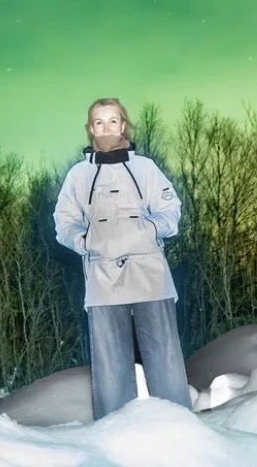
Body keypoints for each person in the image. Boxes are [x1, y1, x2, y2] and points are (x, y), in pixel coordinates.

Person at [53, 97, 193, 420]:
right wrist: (84, 240)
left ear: (123, 125)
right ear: (90, 128)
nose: (106, 128)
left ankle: (180, 431)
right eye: (98, 122)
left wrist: (149, 230)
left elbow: (171, 209)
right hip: (103, 281)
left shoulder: (145, 168)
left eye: (112, 121)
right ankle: (116, 437)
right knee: (111, 370)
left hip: (151, 278)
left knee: (166, 363)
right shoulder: (78, 176)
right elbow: (63, 221)